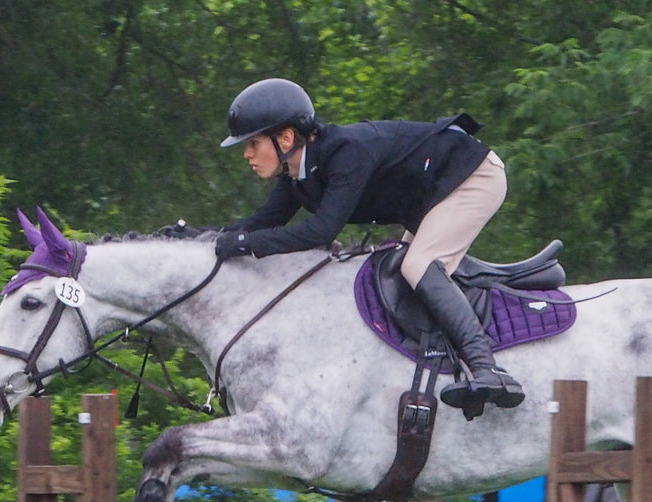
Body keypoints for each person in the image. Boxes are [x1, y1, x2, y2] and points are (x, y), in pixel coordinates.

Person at [214, 77, 525, 415]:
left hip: (474, 177)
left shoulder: (346, 153)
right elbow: (260, 222)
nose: (246, 154)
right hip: (435, 194)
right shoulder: (296, 173)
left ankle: (488, 368)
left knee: (417, 266)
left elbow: (321, 231)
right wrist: (199, 239)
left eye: (253, 143)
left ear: (286, 137)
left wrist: (245, 244)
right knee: (401, 270)